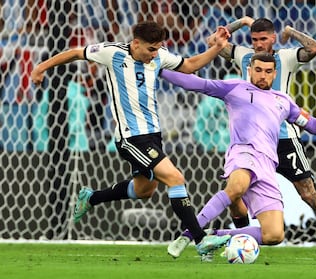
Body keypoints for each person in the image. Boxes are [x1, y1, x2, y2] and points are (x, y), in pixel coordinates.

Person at [31, 21, 232, 256]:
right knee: (175, 178)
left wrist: (217, 48)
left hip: (153, 135)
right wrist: (40, 68)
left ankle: (92, 197)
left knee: (144, 190)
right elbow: (77, 52)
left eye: (158, 49)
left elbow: (188, 65)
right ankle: (200, 240)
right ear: (136, 44)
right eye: (150, 49)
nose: (154, 54)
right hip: (130, 137)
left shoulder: (159, 55)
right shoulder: (112, 53)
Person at [169, 16, 316, 260]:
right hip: (246, 146)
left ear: (273, 40)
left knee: (302, 201)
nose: (258, 44)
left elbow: (314, 53)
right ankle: (203, 237)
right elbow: (208, 56)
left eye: (263, 39)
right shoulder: (240, 69)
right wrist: (241, 22)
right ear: (250, 68)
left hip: (282, 139)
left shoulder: (286, 64)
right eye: (254, 39)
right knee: (235, 193)